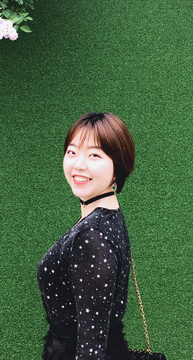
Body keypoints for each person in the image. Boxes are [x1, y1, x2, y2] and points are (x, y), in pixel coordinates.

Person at [38, 112, 136, 360]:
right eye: (72, 152)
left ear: (118, 165)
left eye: (94, 155)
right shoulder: (109, 216)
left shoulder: (92, 235)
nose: (78, 164)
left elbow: (91, 349)